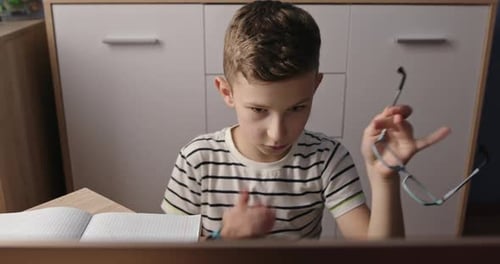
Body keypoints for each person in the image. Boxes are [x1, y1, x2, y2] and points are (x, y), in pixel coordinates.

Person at [161, 0, 450, 240]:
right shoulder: (196, 159)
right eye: (259, 111)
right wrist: (224, 239)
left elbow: (381, 259)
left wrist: (384, 178)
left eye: (297, 108)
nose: (277, 134)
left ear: (315, 86)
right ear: (227, 92)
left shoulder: (326, 159)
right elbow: (167, 257)